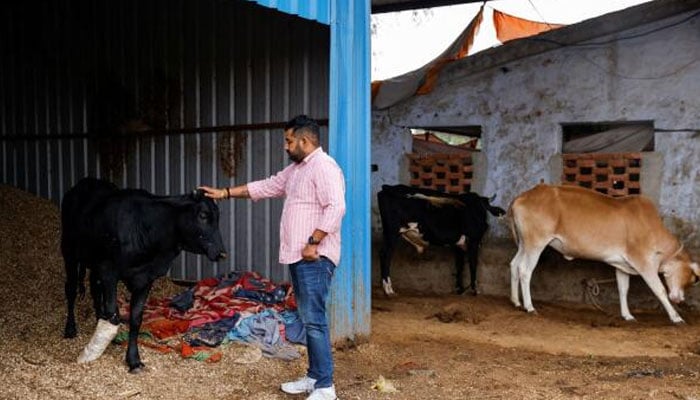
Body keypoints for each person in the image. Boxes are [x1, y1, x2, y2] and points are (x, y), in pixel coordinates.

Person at [199, 115, 345, 400]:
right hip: (299, 257)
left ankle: (326, 387)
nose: (286, 146)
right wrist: (225, 193)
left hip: (314, 257)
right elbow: (266, 186)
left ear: (305, 140)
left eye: (289, 141)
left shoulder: (324, 167)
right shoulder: (297, 170)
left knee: (314, 320)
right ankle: (314, 377)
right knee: (306, 318)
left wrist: (313, 242)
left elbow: (336, 207)